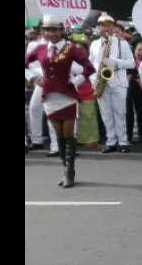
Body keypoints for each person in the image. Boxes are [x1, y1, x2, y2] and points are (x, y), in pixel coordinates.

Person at [25, 15, 95, 187]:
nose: (51, 33)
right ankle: (64, 170)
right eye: (48, 30)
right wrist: (34, 78)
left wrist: (75, 81)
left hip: (67, 95)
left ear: (62, 31)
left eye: (55, 30)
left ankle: (70, 172)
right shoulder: (39, 49)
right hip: (49, 96)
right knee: (58, 136)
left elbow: (89, 68)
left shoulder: (71, 49)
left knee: (68, 134)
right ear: (43, 31)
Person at [89, 12, 135, 153]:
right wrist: (93, 80)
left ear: (114, 27)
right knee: (105, 113)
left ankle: (123, 141)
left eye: (109, 25)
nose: (106, 29)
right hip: (101, 80)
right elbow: (91, 64)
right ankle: (111, 141)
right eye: (103, 26)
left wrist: (115, 62)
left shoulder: (122, 43)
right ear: (99, 28)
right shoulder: (94, 44)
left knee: (120, 112)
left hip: (118, 80)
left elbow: (132, 64)